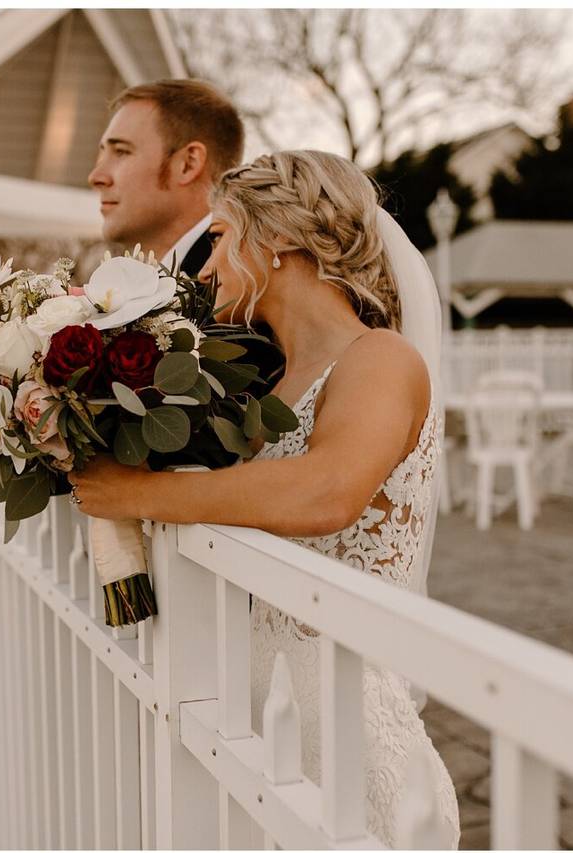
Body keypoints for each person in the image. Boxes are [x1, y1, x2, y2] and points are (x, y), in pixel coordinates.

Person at [69, 149, 460, 848]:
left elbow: (327, 492)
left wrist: (140, 492)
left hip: (347, 737)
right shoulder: (268, 390)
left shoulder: (382, 359)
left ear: (278, 236)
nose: (209, 267)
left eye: (220, 237)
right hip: (263, 728)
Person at [88, 78, 244, 279]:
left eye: (121, 152)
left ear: (188, 164)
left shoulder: (233, 285)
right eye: (102, 154)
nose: (96, 177)